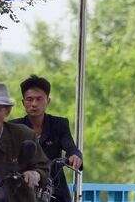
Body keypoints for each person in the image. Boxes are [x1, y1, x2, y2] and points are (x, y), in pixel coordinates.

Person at [9, 74, 83, 202]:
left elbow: (71, 147)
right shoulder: (14, 127)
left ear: (47, 101)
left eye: (39, 99)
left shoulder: (59, 124)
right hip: (24, 189)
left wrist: (75, 156)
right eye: (29, 99)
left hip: (54, 189)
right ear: (23, 102)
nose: (34, 104)